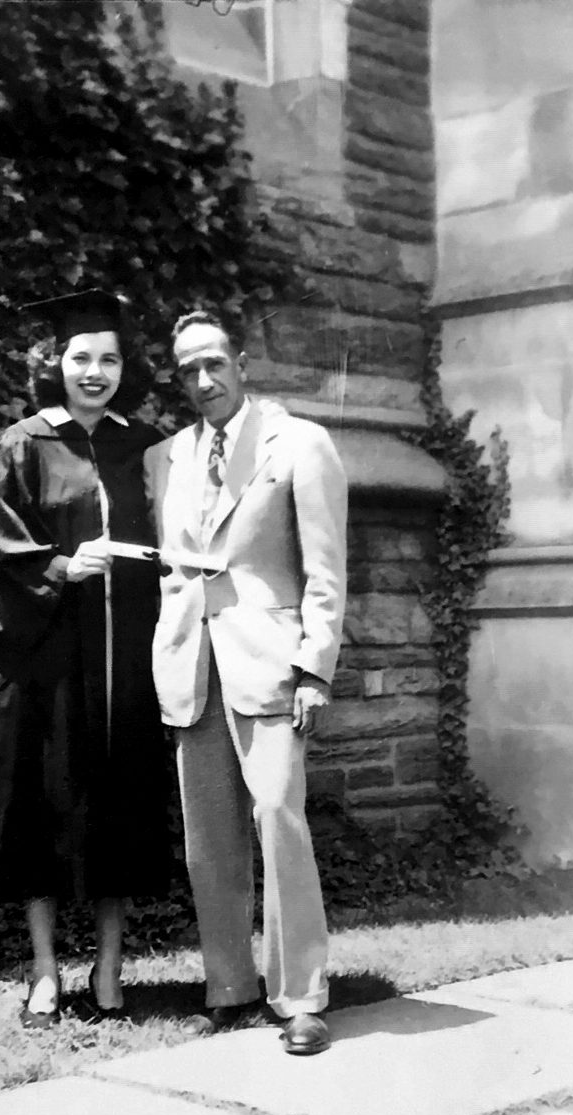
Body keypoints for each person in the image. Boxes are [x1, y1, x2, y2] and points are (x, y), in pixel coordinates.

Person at [144, 308, 347, 1055]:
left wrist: (314, 669)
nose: (203, 381)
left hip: (270, 666)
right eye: (188, 370)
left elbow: (326, 570)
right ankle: (228, 987)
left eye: (214, 364)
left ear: (242, 362)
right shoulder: (164, 457)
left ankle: (300, 997)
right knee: (209, 840)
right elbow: (173, 567)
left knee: (278, 821)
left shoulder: (299, 443)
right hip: (192, 668)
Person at [0, 290, 169, 1027]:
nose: (95, 371)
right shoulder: (23, 443)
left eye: (108, 358)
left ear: (124, 367)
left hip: (121, 666)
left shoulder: (140, 445)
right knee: (39, 815)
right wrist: (60, 568)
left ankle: (110, 968)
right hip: (46, 664)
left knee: (118, 811)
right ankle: (46, 970)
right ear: (56, 363)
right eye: (81, 357)